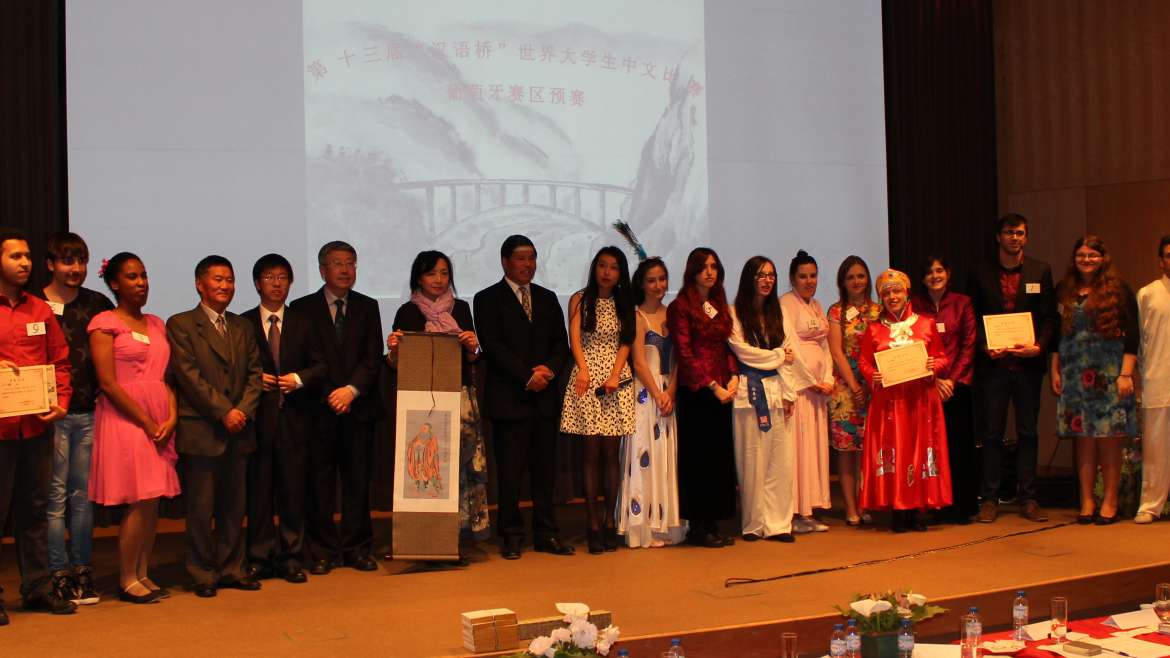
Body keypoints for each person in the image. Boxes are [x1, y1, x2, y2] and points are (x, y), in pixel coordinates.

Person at [167, 255, 263, 598]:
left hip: (239, 429)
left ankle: (232, 568)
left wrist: (243, 411)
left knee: (234, 507)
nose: (226, 286)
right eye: (218, 280)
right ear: (199, 284)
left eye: (230, 280)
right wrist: (224, 411)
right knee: (201, 508)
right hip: (203, 429)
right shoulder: (180, 324)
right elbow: (188, 376)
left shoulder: (242, 326)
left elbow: (255, 374)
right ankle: (202, 571)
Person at [473, 235, 573, 560]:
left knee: (545, 472)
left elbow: (561, 343)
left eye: (532, 257)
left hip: (544, 398)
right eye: (520, 258)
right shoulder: (487, 298)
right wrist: (526, 375)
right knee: (510, 474)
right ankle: (511, 535)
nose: (528, 264)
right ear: (505, 262)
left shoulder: (547, 297)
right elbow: (493, 344)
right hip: (509, 399)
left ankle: (546, 533)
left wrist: (550, 371)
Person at [88, 252, 181, 603]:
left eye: (143, 276)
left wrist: (171, 417)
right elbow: (108, 384)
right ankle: (127, 578)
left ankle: (144, 571)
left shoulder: (157, 323)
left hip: (159, 421)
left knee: (152, 501)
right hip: (125, 419)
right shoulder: (104, 323)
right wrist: (145, 420)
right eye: (131, 277)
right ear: (114, 283)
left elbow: (167, 378)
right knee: (138, 500)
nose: (140, 283)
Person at [290, 241, 384, 574]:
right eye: (337, 263)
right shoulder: (301, 308)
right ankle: (322, 550)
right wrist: (332, 393)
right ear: (322, 269)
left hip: (358, 409)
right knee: (320, 485)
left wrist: (351, 390)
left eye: (350, 263)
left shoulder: (368, 306)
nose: (345, 270)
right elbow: (303, 359)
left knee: (359, 483)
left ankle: (358, 549)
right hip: (318, 409)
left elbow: (373, 358)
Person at [386, 250, 490, 546]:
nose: (439, 280)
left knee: (462, 468)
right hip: (421, 405)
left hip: (459, 399)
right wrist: (394, 350)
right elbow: (396, 364)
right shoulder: (407, 312)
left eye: (444, 273)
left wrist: (473, 347)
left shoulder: (461, 310)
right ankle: (427, 535)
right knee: (428, 468)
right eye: (432, 273)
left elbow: (473, 359)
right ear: (418, 277)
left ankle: (460, 533)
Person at [0, 228, 73, 623]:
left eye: (27, 256)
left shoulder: (39, 309)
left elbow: (59, 361)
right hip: (0, 429)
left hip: (37, 425)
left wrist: (61, 403)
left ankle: (38, 588)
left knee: (35, 509)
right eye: (15, 256)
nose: (25, 262)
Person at [968, 213, 1058, 523]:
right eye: (1009, 233)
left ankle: (1028, 497)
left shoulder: (1040, 270)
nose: (1014, 238)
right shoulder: (980, 272)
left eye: (1020, 233)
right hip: (992, 367)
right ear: (998, 237)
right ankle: (990, 498)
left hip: (1027, 367)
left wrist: (1040, 348)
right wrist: (984, 346)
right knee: (991, 433)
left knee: (1028, 432)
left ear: (1026, 237)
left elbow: (1049, 318)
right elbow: (973, 318)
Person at [242, 254, 325, 583]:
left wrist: (299, 379)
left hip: (296, 420)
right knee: (259, 492)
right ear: (257, 283)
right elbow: (233, 369)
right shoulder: (242, 323)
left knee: (293, 490)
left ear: (290, 283)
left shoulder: (304, 322)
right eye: (269, 277)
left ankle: (291, 555)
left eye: (282, 277)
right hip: (258, 421)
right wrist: (254, 379)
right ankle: (259, 557)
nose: (276, 283)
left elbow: (321, 365)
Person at [38, 232, 112, 605]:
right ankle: (57, 572)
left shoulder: (97, 303)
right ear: (51, 264)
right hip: (48, 416)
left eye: (81, 262)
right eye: (67, 261)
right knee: (54, 499)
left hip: (88, 412)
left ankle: (82, 569)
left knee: (82, 498)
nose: (76, 269)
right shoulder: (34, 304)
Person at [1051, 236, 1138, 525]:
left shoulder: (1119, 289)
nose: (1086, 260)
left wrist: (1126, 374)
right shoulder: (1064, 289)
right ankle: (1086, 500)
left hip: (1108, 373)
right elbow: (1056, 334)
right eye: (1081, 255)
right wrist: (1055, 370)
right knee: (1084, 440)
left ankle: (1110, 501)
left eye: (1092, 255)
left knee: (1109, 439)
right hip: (1074, 372)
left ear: (1103, 258)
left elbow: (1133, 335)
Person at [858, 269, 952, 532]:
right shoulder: (875, 329)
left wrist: (935, 365)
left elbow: (942, 357)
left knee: (918, 450)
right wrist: (871, 375)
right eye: (886, 293)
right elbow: (864, 361)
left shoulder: (925, 323)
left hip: (920, 401)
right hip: (890, 403)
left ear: (907, 292)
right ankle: (897, 509)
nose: (892, 296)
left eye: (897, 290)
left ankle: (916, 508)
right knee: (895, 449)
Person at [560, 247, 637, 554]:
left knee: (610, 455)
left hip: (616, 380)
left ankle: (608, 521)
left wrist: (616, 375)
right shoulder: (580, 299)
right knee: (590, 454)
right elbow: (574, 338)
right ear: (594, 268)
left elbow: (626, 341)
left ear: (621, 273)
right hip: (586, 376)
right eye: (602, 265)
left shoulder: (624, 302)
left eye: (614, 267)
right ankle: (592, 523)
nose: (607, 271)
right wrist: (583, 369)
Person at [668, 247, 738, 548]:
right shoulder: (680, 306)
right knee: (698, 459)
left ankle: (712, 523)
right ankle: (698, 526)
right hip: (697, 392)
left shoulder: (719, 304)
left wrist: (733, 377)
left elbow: (726, 346)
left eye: (714, 267)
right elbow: (684, 353)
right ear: (692, 271)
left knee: (718, 459)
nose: (710, 272)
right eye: (704, 267)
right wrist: (712, 384)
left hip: (722, 389)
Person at [728, 256, 797, 542]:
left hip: (777, 391)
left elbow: (793, 352)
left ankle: (778, 524)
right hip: (748, 393)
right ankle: (754, 524)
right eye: (761, 275)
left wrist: (790, 394)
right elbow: (743, 352)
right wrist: (778, 356)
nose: (767, 280)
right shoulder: (734, 314)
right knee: (751, 459)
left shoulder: (780, 313)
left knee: (780, 462)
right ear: (749, 279)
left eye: (771, 275)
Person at [618, 257, 686, 548]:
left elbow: (679, 358)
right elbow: (638, 362)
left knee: (665, 456)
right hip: (645, 396)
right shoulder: (636, 316)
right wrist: (658, 394)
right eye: (652, 280)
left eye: (662, 279)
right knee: (644, 454)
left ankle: (663, 523)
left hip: (668, 392)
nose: (659, 285)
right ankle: (642, 525)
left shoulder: (672, 315)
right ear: (641, 284)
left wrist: (671, 391)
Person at [912, 256, 977, 523]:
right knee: (931, 449)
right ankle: (933, 506)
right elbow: (911, 345)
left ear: (948, 273)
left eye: (939, 270)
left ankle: (960, 507)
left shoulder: (963, 303)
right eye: (929, 272)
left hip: (957, 387)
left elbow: (969, 343)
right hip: (926, 387)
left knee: (959, 447)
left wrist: (951, 380)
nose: (935, 276)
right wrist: (934, 380)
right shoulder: (914, 305)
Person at [779, 250, 834, 533]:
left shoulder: (817, 305)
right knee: (797, 450)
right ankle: (794, 511)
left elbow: (824, 346)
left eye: (813, 276)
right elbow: (790, 347)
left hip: (817, 390)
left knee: (813, 449)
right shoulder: (785, 304)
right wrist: (809, 379)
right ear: (792, 278)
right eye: (803, 276)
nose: (809, 281)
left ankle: (808, 509)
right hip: (799, 388)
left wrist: (828, 377)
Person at [826, 255, 880, 527]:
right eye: (850, 277)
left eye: (860, 276)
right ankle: (850, 507)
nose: (856, 281)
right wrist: (856, 385)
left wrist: (869, 384)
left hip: (875, 388)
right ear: (842, 282)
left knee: (867, 450)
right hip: (846, 391)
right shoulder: (836, 312)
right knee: (847, 451)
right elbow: (836, 351)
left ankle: (865, 502)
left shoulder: (879, 310)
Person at [1136, 235, 1170, 524]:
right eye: (1169, 255)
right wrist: (1138, 377)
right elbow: (1139, 343)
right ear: (1161, 260)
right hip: (1157, 378)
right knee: (1156, 446)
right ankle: (1150, 505)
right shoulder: (1148, 294)